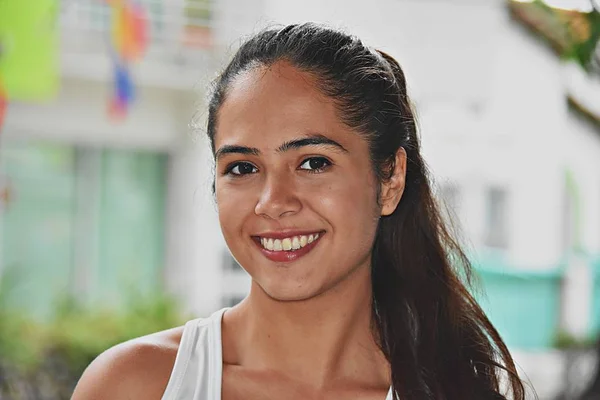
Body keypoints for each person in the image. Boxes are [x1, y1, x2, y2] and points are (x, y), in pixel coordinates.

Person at [72, 23, 526, 400]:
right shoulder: (133, 386)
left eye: (313, 162)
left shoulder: (450, 391)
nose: (273, 201)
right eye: (243, 167)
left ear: (390, 180)